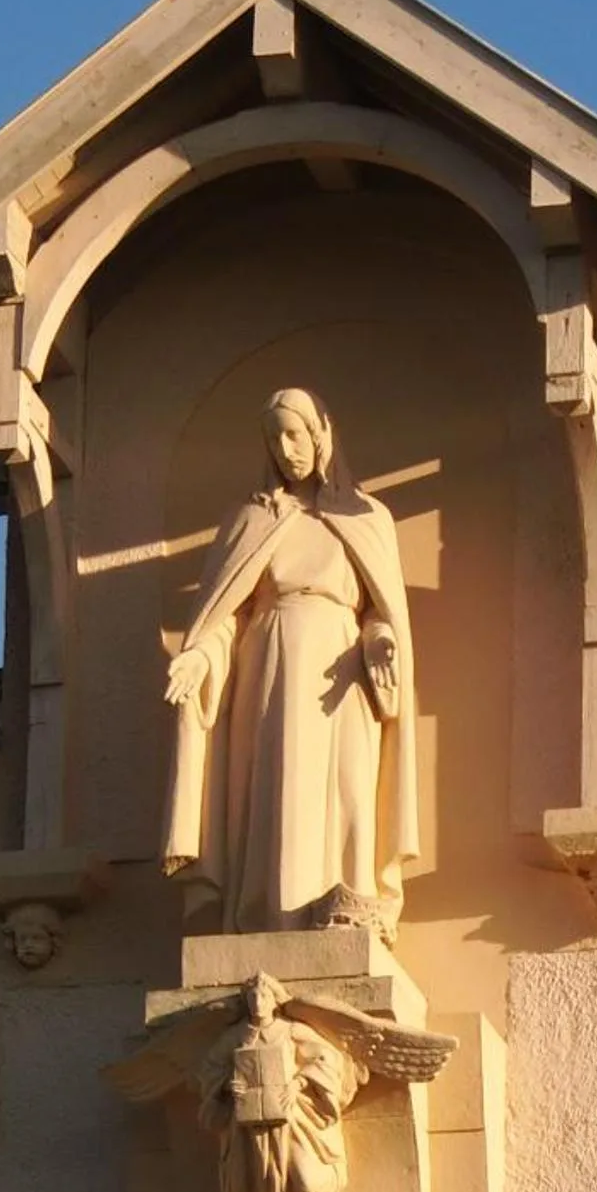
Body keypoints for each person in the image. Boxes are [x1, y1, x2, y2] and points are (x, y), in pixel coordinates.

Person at [162, 388, 419, 936]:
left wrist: (381, 645)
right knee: (274, 789)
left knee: (347, 789)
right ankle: (266, 918)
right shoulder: (253, 518)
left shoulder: (366, 516)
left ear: (320, 434)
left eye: (295, 434)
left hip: (342, 670)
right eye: (275, 438)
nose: (286, 448)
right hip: (268, 665)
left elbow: (377, 610)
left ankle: (349, 910)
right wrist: (201, 658)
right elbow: (226, 615)